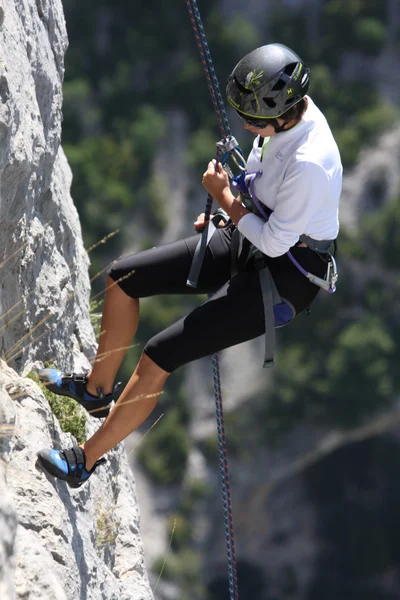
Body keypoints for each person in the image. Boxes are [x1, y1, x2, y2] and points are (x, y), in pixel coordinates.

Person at [36, 43, 342, 487]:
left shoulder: (311, 161)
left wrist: (226, 203)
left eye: (252, 117)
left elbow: (277, 244)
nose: (245, 124)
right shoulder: (283, 123)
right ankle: (96, 391)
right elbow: (262, 191)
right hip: (256, 233)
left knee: (161, 353)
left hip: (287, 273)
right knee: (124, 277)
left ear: (283, 113)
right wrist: (228, 212)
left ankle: (83, 461)